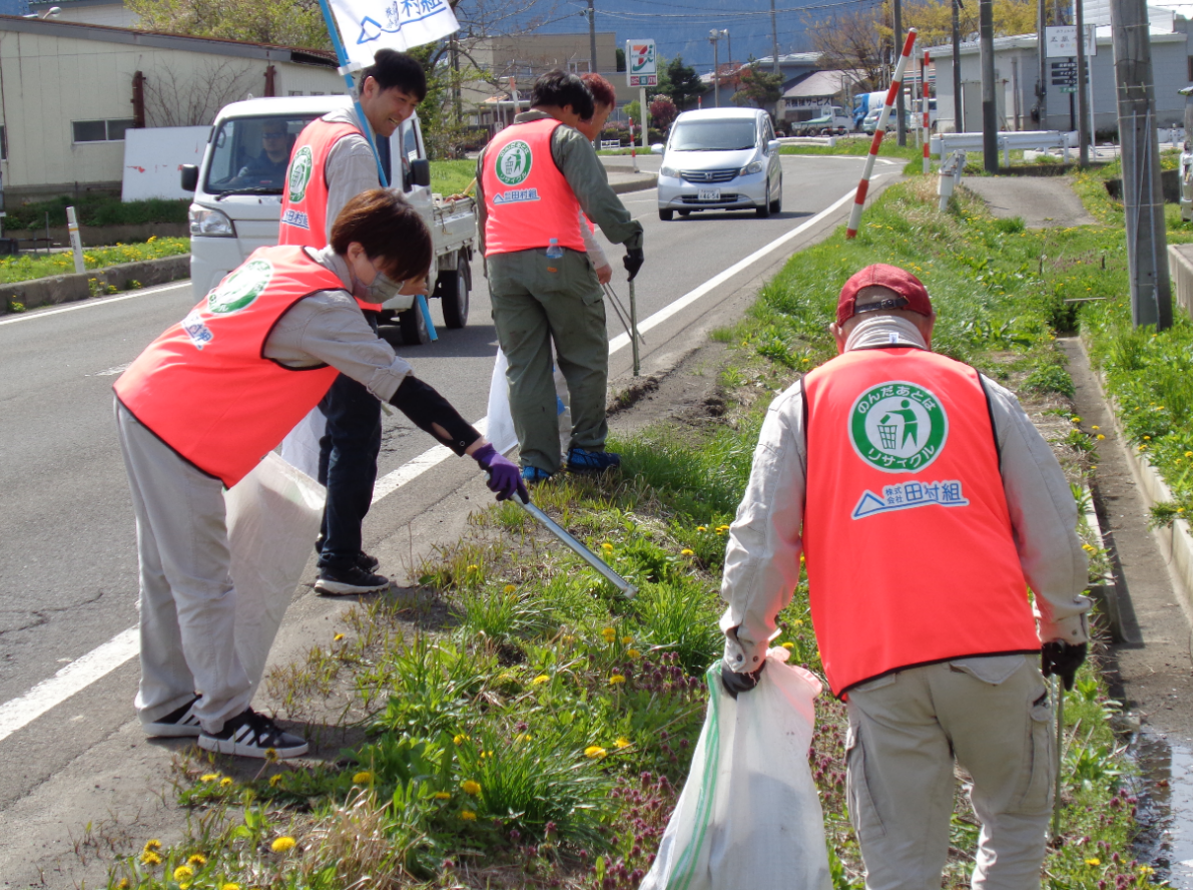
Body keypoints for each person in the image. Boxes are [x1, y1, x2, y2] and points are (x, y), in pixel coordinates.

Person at [717, 263, 1092, 889]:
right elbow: (1051, 523)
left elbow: (762, 543)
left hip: (879, 667)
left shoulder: (803, 403)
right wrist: (1064, 627)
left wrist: (745, 646)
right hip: (996, 656)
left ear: (841, 332)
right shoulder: (980, 391)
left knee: (899, 867)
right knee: (1015, 828)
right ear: (926, 326)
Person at [114, 190, 523, 759]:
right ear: (356, 250)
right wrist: (481, 449)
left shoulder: (287, 259)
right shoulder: (326, 307)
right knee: (204, 580)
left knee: (165, 570)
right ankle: (224, 718)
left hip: (149, 395)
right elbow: (402, 386)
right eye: (391, 273)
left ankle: (166, 704)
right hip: (176, 425)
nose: (395, 288)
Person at [278, 48, 425, 596]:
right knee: (358, 434)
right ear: (369, 87)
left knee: (337, 436)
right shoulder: (354, 149)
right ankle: (338, 561)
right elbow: (353, 246)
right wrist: (399, 284)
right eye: (398, 99)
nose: (402, 113)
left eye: (411, 106)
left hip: (300, 297)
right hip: (334, 308)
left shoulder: (314, 134)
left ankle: (332, 541)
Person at [477, 70, 644, 484]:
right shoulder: (564, 138)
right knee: (584, 358)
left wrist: (493, 262)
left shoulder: (491, 148)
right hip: (558, 258)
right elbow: (597, 197)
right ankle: (586, 449)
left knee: (525, 365)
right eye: (578, 116)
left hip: (502, 264)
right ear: (569, 108)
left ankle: (536, 462)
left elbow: (483, 216)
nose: (579, 125)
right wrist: (631, 238)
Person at [233, 120, 293, 187]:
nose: (271, 140)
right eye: (267, 135)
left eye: (276, 135)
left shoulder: (294, 168)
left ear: (287, 138)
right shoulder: (250, 170)